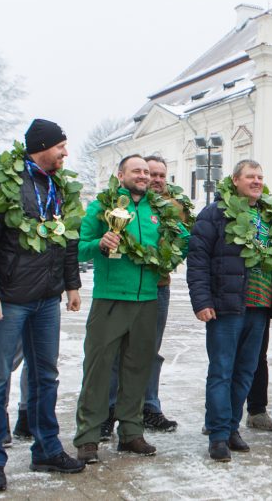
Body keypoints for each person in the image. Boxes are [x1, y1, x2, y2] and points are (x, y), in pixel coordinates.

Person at [0, 118, 85, 492]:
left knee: (45, 376)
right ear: (41, 146)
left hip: (47, 300)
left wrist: (71, 285)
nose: (66, 152)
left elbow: (66, 239)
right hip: (10, 301)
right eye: (61, 146)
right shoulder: (1, 182)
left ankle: (46, 448)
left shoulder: (57, 186)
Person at [73, 154, 189, 463]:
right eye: (136, 170)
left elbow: (183, 240)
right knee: (98, 370)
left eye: (146, 171)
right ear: (121, 175)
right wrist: (99, 243)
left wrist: (174, 253)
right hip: (111, 297)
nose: (143, 175)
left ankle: (131, 433)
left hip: (148, 299)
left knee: (138, 368)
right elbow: (79, 246)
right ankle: (88, 437)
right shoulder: (102, 206)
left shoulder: (159, 210)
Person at [188, 160, 272, 462]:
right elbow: (198, 260)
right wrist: (202, 301)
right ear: (235, 180)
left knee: (245, 372)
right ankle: (217, 434)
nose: (256, 181)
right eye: (250, 177)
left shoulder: (269, 216)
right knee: (222, 371)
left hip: (259, 305)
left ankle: (231, 428)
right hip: (226, 306)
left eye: (260, 176)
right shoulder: (214, 214)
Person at [103, 156, 190, 437]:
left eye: (162, 175)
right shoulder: (123, 204)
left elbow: (186, 240)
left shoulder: (175, 207)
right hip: (123, 286)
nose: (156, 179)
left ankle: (150, 407)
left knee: (150, 351)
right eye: (151, 173)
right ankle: (109, 409)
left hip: (158, 287)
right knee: (117, 352)